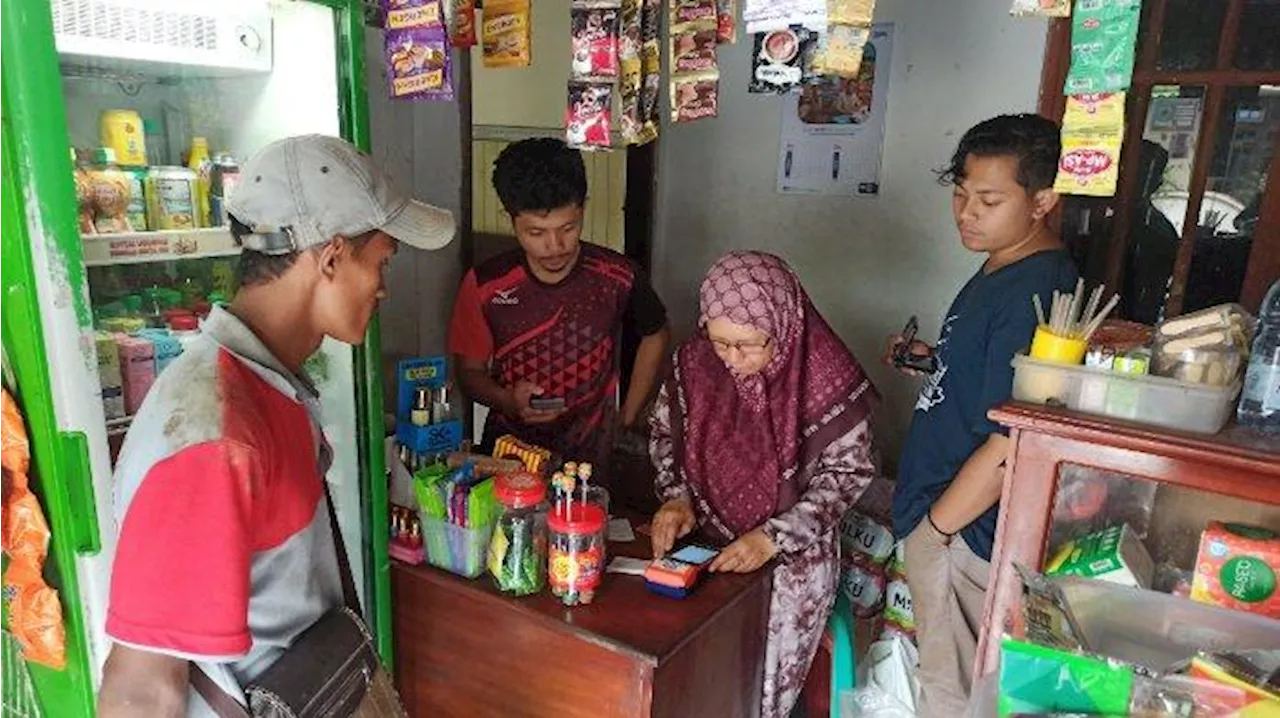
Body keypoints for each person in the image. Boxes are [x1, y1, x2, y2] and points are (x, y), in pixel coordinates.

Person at [97, 134, 455, 717]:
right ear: (332, 257)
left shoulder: (269, 384)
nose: (384, 287)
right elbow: (141, 684)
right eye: (382, 261)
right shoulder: (215, 434)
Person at [885, 114, 1078, 717]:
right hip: (947, 516)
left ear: (1043, 201)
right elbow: (989, 381)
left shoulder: (1035, 290)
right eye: (961, 194)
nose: (966, 212)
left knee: (955, 692)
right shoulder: (1002, 264)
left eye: (989, 200)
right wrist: (933, 362)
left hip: (963, 530)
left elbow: (1011, 439)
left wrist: (936, 532)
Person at [648, 251, 880, 718]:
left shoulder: (826, 374)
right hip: (706, 548)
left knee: (755, 696)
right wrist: (675, 496)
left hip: (790, 567)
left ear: (785, 323)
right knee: (698, 675)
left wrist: (773, 538)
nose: (733, 360)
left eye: (750, 345)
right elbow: (662, 432)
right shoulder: (694, 363)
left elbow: (847, 475)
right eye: (721, 343)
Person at [448, 137, 670, 470]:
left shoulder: (618, 276)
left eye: (569, 227)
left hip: (590, 461)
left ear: (584, 207)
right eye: (536, 233)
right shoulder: (485, 285)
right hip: (509, 458)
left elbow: (657, 333)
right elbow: (470, 372)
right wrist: (507, 399)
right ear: (510, 219)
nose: (555, 246)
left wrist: (627, 417)